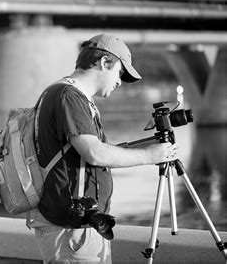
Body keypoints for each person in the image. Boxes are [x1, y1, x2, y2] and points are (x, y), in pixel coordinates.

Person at [28, 34, 178, 263]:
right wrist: (149, 156)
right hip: (72, 229)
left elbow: (88, 154)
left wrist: (146, 147)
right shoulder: (69, 96)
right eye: (120, 73)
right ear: (105, 62)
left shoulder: (67, 94)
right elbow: (95, 153)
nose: (120, 81)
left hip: (80, 224)